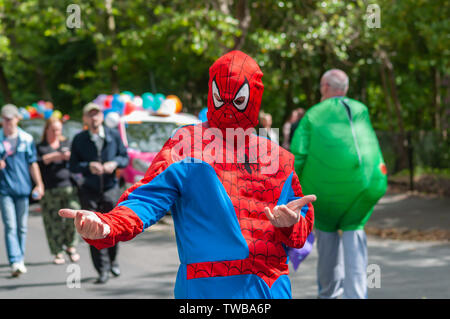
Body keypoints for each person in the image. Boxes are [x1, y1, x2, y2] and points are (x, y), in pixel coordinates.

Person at [59, 50, 316, 299]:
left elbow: (300, 229)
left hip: (267, 289)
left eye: (237, 99)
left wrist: (291, 223)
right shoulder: (187, 145)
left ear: (254, 96)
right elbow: (148, 197)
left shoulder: (276, 157)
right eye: (221, 96)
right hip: (207, 288)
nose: (227, 107)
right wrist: (109, 224)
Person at [290, 69, 387, 299]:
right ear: (345, 88)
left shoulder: (313, 115)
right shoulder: (361, 109)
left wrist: (297, 191)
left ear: (325, 87)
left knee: (328, 243)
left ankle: (329, 294)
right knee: (355, 237)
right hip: (364, 190)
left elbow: (298, 156)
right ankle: (356, 295)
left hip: (324, 194)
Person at [69, 102, 129, 284]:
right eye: (90, 114)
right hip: (89, 190)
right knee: (93, 230)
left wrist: (114, 163)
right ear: (85, 118)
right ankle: (101, 270)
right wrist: (88, 166)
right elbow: (72, 165)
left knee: (113, 227)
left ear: (102, 117)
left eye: (97, 114)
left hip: (110, 188)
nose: (94, 117)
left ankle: (113, 261)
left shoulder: (113, 135)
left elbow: (124, 157)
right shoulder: (79, 139)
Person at [0, 104, 45, 277]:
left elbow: (32, 163)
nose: (7, 122)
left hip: (23, 188)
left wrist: (39, 184)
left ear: (17, 119)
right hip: (4, 190)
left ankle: (20, 257)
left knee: (22, 227)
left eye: (10, 119)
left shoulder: (26, 139)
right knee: (10, 225)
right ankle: (15, 261)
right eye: (4, 119)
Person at [37, 116, 81, 265]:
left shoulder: (66, 143)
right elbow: (39, 162)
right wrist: (55, 156)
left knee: (74, 216)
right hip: (50, 188)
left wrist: (67, 156)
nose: (56, 132)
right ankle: (57, 251)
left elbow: (75, 160)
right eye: (54, 130)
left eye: (59, 130)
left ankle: (71, 246)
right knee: (52, 222)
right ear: (47, 130)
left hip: (68, 186)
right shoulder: (40, 146)